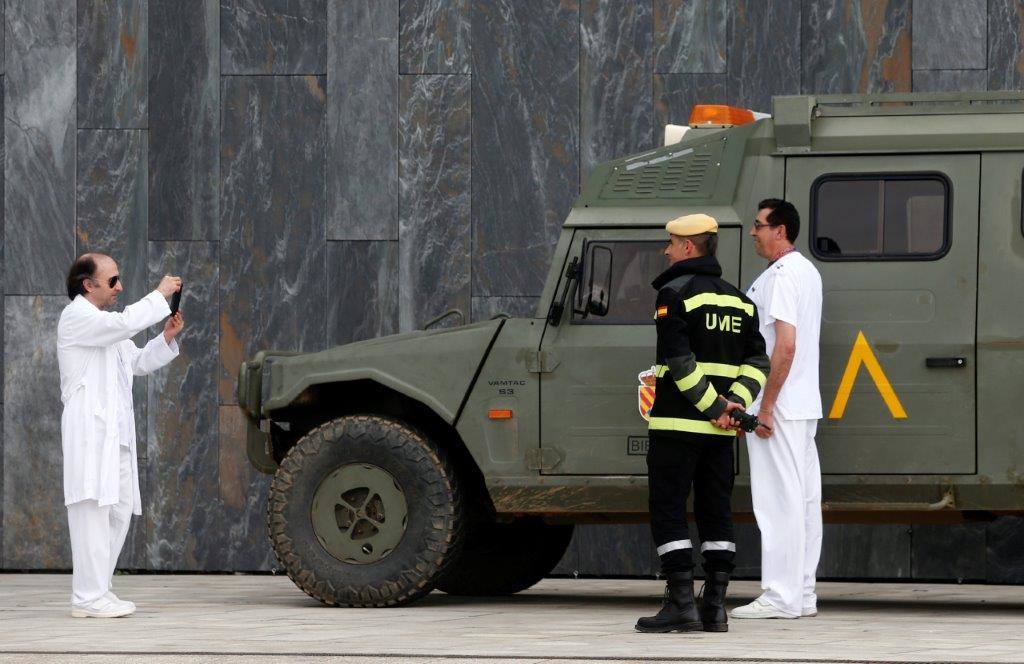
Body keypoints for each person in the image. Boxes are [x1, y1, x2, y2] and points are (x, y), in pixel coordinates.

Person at [636, 214, 770, 634]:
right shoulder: (739, 301)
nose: (667, 250)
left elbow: (678, 361)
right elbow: (757, 361)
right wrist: (736, 404)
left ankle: (680, 602)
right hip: (720, 435)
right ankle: (714, 606)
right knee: (717, 514)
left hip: (678, 425)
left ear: (690, 247)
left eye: (672, 243)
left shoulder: (674, 295)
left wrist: (713, 406)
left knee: (669, 509)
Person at [58, 254, 184, 618]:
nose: (119, 287)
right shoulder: (77, 318)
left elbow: (138, 362)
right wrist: (159, 296)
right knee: (91, 509)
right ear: (88, 284)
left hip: (117, 437)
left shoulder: (105, 325)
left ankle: (99, 589)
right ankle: (86, 596)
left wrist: (165, 338)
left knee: (119, 510)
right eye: (112, 281)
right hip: (90, 434)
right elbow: (126, 324)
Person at [731, 199, 823, 620]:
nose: (753, 232)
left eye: (758, 225)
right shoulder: (807, 271)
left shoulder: (783, 276)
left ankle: (781, 595)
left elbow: (784, 344)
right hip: (800, 403)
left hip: (779, 405)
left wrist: (764, 407)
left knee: (778, 501)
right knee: (802, 499)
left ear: (780, 230)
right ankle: (801, 593)